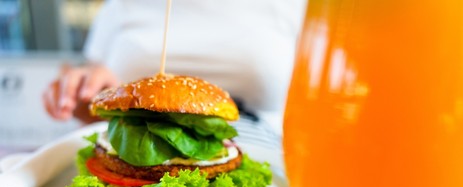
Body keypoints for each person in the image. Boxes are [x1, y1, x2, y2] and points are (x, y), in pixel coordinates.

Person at [42, 0, 306, 130]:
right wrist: (80, 92)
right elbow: (92, 100)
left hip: (274, 167)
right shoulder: (121, 5)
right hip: (132, 150)